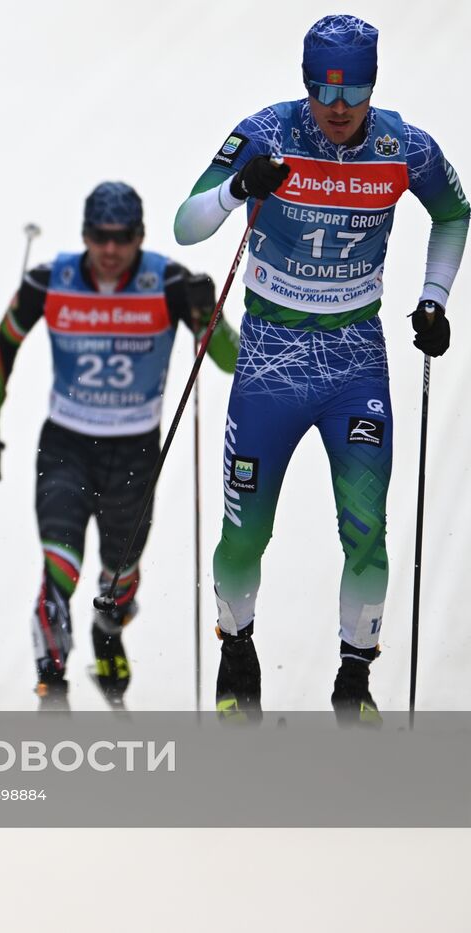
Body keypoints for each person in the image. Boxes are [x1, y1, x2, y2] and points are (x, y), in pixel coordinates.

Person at [174, 15, 468, 724]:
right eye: (323, 87)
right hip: (270, 361)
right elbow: (187, 223)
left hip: (354, 363)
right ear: (305, 80)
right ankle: (236, 648)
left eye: (355, 87)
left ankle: (353, 678)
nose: (338, 106)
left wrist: (433, 300)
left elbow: (455, 213)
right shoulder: (267, 133)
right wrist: (237, 189)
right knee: (245, 532)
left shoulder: (405, 147)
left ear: (375, 82)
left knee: (366, 527)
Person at [0, 182, 237, 709]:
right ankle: (52, 679)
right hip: (67, 444)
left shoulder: (169, 283)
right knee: (59, 567)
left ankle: (108, 629)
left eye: (123, 238)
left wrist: (211, 314)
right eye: (100, 237)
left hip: (135, 450)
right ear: (84, 235)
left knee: (120, 572)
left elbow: (229, 359)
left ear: (140, 237)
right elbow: (4, 345)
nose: (111, 250)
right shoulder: (52, 281)